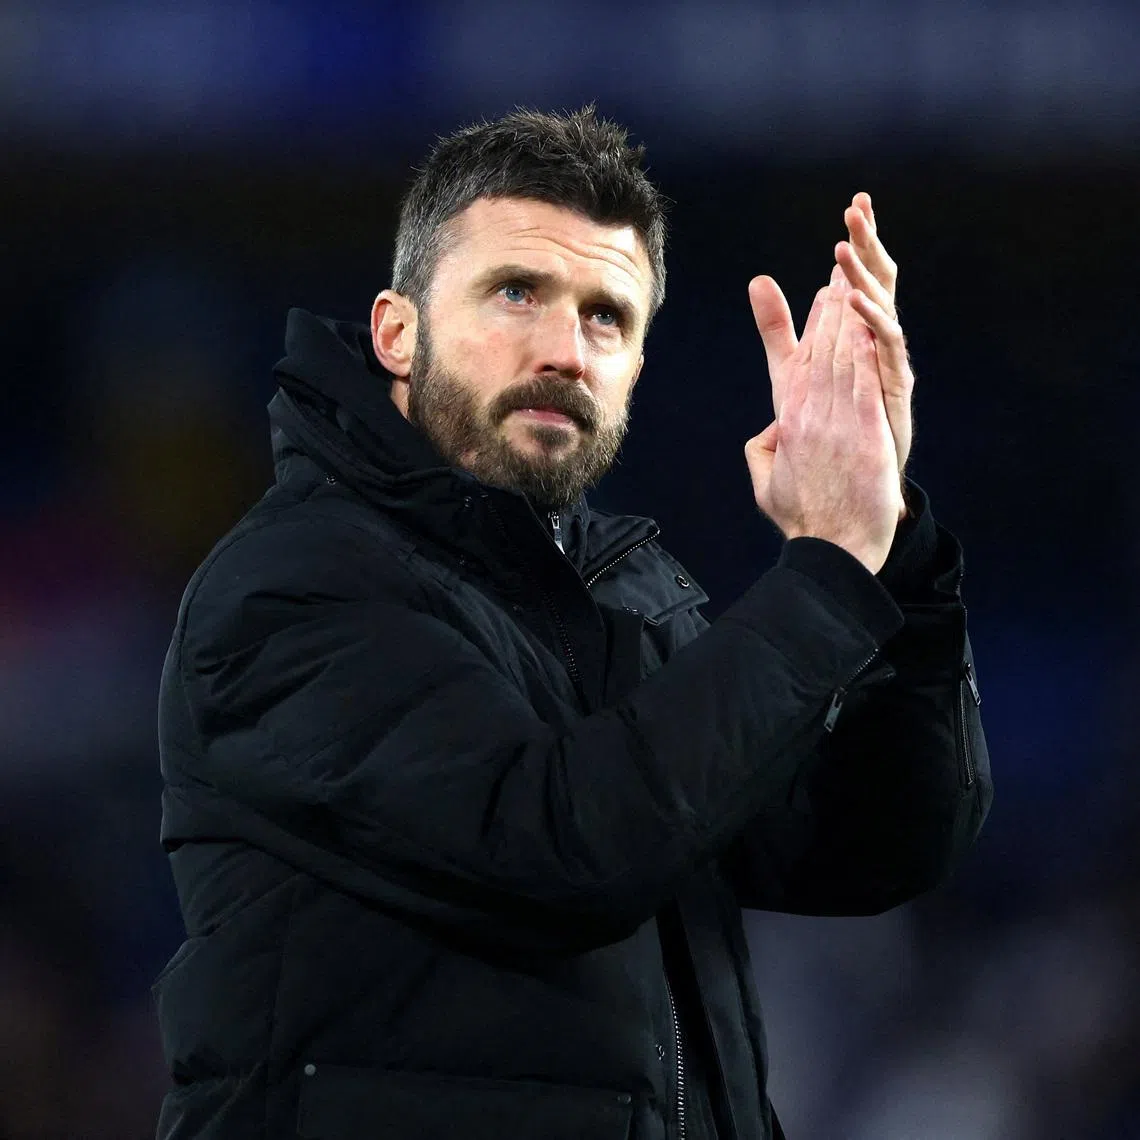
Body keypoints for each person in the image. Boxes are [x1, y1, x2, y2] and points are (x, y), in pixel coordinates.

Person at [153, 106, 991, 1140]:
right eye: (517, 292)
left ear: (636, 366)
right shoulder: (293, 588)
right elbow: (560, 851)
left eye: (606, 317)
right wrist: (822, 571)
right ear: (396, 333)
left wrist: (886, 548)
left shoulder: (624, 596)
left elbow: (867, 847)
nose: (565, 351)